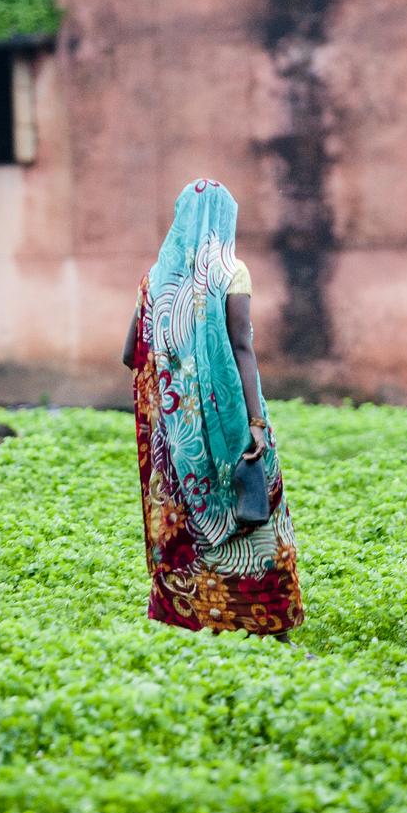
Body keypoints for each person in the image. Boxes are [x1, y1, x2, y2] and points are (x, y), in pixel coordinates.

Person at [121, 178, 304, 639]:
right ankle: (265, 626)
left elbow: (131, 354)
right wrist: (255, 425)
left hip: (176, 437)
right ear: (225, 219)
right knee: (253, 509)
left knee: (188, 521)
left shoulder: (156, 279)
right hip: (232, 421)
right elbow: (242, 347)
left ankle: (191, 621)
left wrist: (175, 377)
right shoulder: (230, 272)